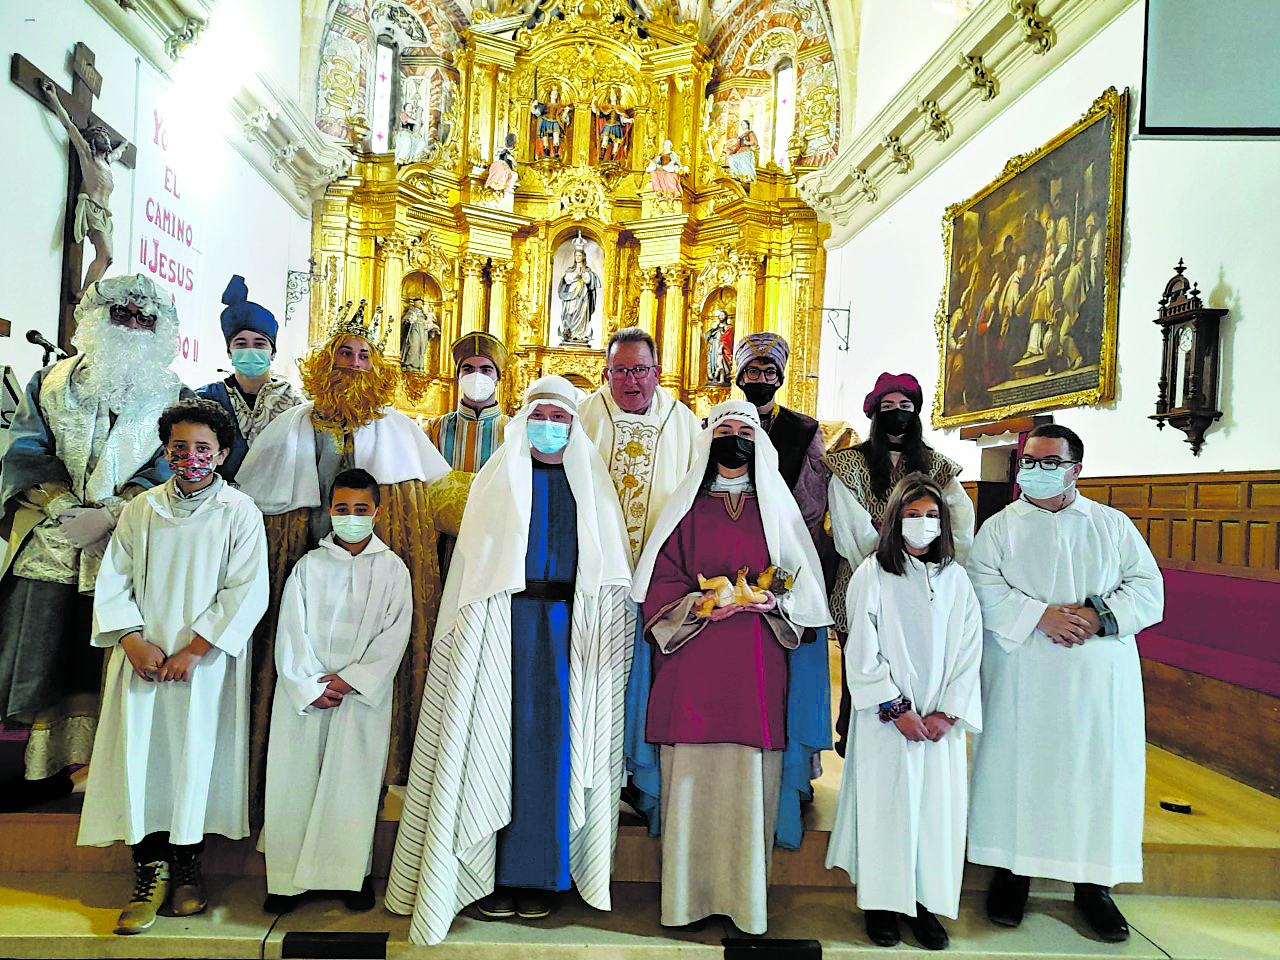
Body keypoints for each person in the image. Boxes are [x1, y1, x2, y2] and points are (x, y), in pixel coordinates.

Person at [385, 376, 633, 945]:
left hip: (569, 633)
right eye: (543, 414)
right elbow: (477, 563)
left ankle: (542, 877)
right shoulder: (499, 478)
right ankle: (488, 874)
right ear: (526, 419)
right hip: (505, 628)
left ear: (575, 425)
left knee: (553, 751)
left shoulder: (591, 484)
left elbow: (608, 567)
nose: (552, 426)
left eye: (563, 418)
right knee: (491, 741)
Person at [235, 310, 451, 820]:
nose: (353, 364)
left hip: (376, 587)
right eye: (344, 353)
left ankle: (374, 789)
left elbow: (438, 501)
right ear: (324, 362)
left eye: (363, 356)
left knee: (368, 702)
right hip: (305, 580)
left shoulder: (400, 429)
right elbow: (256, 505)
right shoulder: (292, 425)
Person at [628, 400, 831, 934]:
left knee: (748, 787)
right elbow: (660, 582)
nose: (734, 439)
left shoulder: (776, 509)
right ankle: (684, 902)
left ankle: (746, 904)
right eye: (724, 430)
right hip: (693, 665)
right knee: (691, 784)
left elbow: (798, 579)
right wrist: (703, 602)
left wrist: (773, 600)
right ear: (708, 440)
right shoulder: (683, 509)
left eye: (745, 430)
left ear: (758, 442)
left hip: (757, 666)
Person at [77, 399, 268, 935]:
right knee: (142, 759)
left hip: (202, 666)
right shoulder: (142, 510)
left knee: (193, 759)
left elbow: (246, 589)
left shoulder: (239, 512)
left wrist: (195, 649)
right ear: (166, 449)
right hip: (143, 660)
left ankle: (188, 870)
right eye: (179, 447)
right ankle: (147, 871)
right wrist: (132, 639)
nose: (190, 457)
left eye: (203, 448)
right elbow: (114, 579)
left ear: (223, 454)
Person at [967, 424, 1163, 943]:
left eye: (1051, 461)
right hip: (1023, 673)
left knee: (1096, 771)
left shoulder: (1112, 525)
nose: (1037, 470)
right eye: (1029, 461)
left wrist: (1100, 616)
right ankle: (1011, 873)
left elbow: (1147, 589)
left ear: (1076, 467)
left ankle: (1093, 886)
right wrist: (1038, 615)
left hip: (1096, 676)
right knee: (1019, 768)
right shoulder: (999, 528)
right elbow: (981, 587)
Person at [0, 275, 187, 811]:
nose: (131, 327)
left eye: (144, 319)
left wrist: (113, 512)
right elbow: (26, 448)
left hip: (126, 547)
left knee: (112, 662)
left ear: (161, 330)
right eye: (121, 315)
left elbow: (170, 464)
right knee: (43, 656)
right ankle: (40, 771)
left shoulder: (175, 394)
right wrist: (61, 504)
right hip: (53, 543)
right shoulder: (50, 383)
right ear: (95, 320)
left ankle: (112, 774)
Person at [826, 474, 982, 952]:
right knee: (887, 809)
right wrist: (896, 708)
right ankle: (883, 903)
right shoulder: (874, 573)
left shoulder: (956, 578)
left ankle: (926, 903)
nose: (923, 524)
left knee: (937, 813)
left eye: (932, 516)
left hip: (939, 725)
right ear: (895, 520)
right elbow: (863, 649)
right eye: (913, 515)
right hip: (888, 723)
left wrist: (948, 713)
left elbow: (970, 649)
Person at [262, 468, 412, 915]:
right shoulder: (309, 567)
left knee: (353, 786)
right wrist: (306, 685)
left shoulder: (392, 570)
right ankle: (286, 881)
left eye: (360, 510)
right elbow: (289, 630)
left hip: (360, 698)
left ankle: (350, 877)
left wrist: (353, 680)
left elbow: (395, 633)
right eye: (342, 510)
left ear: (377, 512)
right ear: (329, 511)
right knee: (294, 783)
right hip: (306, 698)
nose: (350, 517)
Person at [824, 372, 975, 755]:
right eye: (887, 407)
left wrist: (931, 558)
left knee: (924, 667)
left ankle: (924, 737)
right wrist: (890, 557)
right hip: (864, 579)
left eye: (905, 407)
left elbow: (958, 518)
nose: (897, 414)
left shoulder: (938, 467)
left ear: (917, 413)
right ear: (875, 414)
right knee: (864, 662)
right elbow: (850, 530)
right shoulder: (848, 464)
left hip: (926, 584)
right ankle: (860, 747)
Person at [197, 275, 303, 482]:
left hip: (279, 501)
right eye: (241, 344)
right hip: (218, 500)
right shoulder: (204, 399)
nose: (250, 349)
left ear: (273, 352)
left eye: (260, 343)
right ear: (229, 351)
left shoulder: (294, 402)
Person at [40, 79, 129, 295]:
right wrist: (53, 97)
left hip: (105, 215)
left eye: (106, 136)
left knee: (108, 259)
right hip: (91, 209)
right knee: (105, 254)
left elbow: (120, 151)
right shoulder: (87, 157)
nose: (105, 138)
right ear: (92, 141)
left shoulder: (108, 163)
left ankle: (87, 291)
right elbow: (69, 127)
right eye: (100, 135)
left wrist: (125, 145)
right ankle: (84, 293)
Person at [425, 332, 511, 473]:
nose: (476, 375)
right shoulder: (433, 430)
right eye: (468, 369)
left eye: (486, 370)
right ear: (458, 375)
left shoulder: (515, 430)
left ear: (498, 377)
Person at [557, 239, 601, 344]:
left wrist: (585, 276)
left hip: (582, 297)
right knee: (569, 313)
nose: (578, 257)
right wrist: (574, 276)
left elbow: (591, 280)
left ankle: (580, 334)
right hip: (571, 296)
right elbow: (565, 280)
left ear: (584, 257)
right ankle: (569, 333)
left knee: (582, 314)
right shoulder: (570, 270)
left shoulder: (588, 271)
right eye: (576, 255)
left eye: (580, 255)